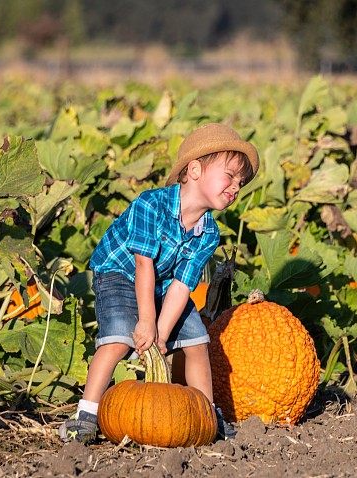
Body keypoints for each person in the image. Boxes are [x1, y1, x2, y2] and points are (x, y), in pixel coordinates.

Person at [59, 123, 259, 443]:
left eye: (241, 181)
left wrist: (160, 335)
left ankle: (206, 413)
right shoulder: (151, 204)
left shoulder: (209, 233)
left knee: (197, 342)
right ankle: (86, 413)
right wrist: (147, 322)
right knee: (119, 338)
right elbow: (143, 265)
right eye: (230, 176)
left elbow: (181, 285)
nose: (236, 186)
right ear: (194, 169)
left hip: (164, 284)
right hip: (118, 273)